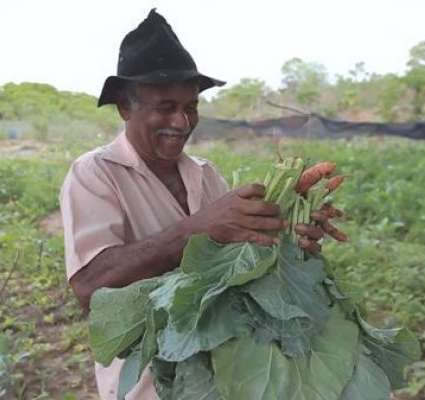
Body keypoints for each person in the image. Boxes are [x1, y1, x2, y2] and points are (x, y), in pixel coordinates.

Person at [59, 9, 325, 400]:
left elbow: (231, 259)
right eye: (165, 107)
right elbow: (89, 288)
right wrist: (197, 228)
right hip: (148, 385)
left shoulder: (205, 173)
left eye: (191, 107)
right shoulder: (95, 174)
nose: (183, 122)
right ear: (125, 107)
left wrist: (284, 233)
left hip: (219, 370)